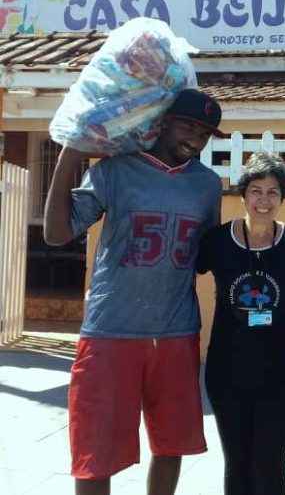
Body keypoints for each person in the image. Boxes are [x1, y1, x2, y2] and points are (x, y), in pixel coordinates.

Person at [44, 89, 224, 495]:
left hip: (176, 332)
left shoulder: (207, 186)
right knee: (95, 454)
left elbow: (203, 257)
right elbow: (56, 233)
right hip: (111, 332)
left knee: (171, 444)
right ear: (162, 122)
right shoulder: (115, 171)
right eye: (189, 126)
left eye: (206, 133)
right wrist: (69, 156)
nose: (196, 139)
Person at [196, 152, 285, 495]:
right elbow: (178, 275)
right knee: (238, 464)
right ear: (243, 195)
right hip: (227, 370)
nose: (264, 200)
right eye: (256, 190)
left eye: (273, 192)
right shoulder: (217, 241)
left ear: (283, 198)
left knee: (269, 465)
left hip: (281, 373)